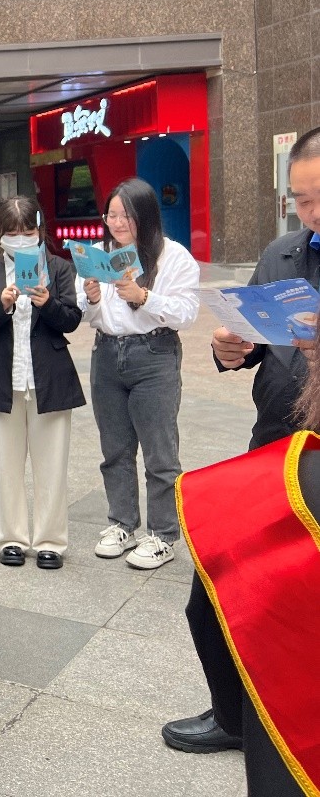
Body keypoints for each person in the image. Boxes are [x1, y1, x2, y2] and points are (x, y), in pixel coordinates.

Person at [162, 127, 320, 757]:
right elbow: (255, 340)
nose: (312, 215)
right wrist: (233, 350)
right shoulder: (283, 252)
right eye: (302, 200)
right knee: (219, 591)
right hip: (273, 451)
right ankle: (234, 714)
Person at [171, 384, 320, 795]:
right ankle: (233, 719)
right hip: (284, 453)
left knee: (271, 642)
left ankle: (242, 723)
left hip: (293, 479)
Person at [79, 177, 199, 569]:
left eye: (124, 216)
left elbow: (186, 312)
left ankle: (163, 534)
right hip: (107, 353)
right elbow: (92, 315)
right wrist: (93, 300)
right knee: (114, 449)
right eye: (110, 215)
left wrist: (143, 296)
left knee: (159, 451)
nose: (115, 223)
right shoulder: (98, 254)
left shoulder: (173, 256)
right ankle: (121, 524)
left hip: (154, 353)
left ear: (144, 216)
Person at [0, 197, 84, 570]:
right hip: (3, 380)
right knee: (6, 464)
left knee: (52, 464)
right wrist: (0, 306)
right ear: (0, 235)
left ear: (40, 231)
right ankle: (12, 539)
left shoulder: (58, 268)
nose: (20, 239)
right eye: (13, 233)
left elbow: (70, 320)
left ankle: (51, 541)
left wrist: (46, 302)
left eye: (28, 232)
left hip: (49, 378)